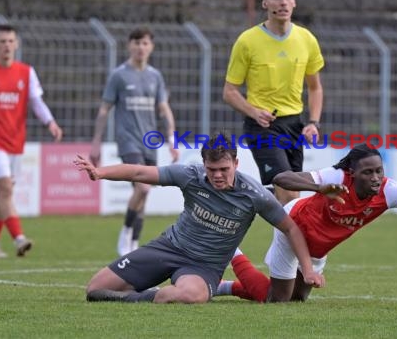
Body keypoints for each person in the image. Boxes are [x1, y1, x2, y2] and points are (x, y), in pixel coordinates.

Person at [74, 133, 325, 304]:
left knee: (187, 296)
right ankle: (154, 294)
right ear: (203, 164)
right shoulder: (190, 175)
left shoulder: (255, 195)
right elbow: (140, 171)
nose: (217, 175)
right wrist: (100, 172)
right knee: (95, 289)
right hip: (168, 247)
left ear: (236, 163)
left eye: (224, 169)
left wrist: (308, 269)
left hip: (204, 267)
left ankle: (149, 296)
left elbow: (291, 228)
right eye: (211, 169)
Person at [216, 144, 397, 302]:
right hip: (294, 226)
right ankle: (233, 255)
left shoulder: (389, 191)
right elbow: (283, 178)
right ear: (353, 173)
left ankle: (227, 285)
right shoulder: (337, 177)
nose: (376, 177)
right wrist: (319, 188)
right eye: (368, 172)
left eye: (379, 171)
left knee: (298, 299)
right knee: (277, 300)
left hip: (319, 247)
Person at [222, 0, 325, 206]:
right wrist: (253, 111)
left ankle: (250, 202)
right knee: (288, 190)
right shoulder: (248, 41)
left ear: (294, 1)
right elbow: (229, 91)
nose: (283, 2)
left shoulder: (306, 39)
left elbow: (315, 88)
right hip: (262, 126)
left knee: (290, 200)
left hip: (294, 126)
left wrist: (314, 122)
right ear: (265, 3)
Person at [89, 27, 179, 256]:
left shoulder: (155, 76)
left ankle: (133, 243)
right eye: (137, 42)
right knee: (143, 187)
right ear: (129, 45)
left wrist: (171, 138)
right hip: (128, 141)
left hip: (150, 141)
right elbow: (104, 109)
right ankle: (126, 232)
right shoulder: (119, 75)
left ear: (151, 47)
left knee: (144, 195)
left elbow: (164, 108)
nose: (141, 47)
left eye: (145, 43)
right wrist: (96, 141)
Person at [0, 24, 63, 258]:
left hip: (15, 141)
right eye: (2, 41)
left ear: (17, 44)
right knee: (4, 188)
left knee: (4, 194)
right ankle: (19, 238)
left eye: (10, 41)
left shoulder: (26, 72)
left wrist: (51, 122)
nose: (6, 45)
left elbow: (36, 102)